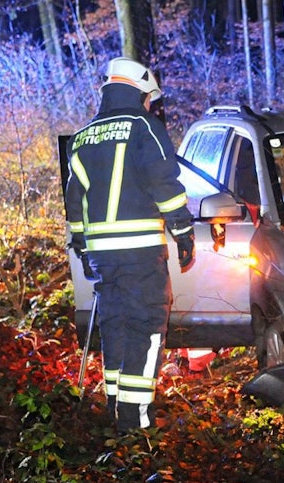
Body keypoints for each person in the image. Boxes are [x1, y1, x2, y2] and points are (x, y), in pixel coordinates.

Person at [65, 57, 196, 432]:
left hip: (103, 255)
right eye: (149, 98)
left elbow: (76, 200)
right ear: (140, 92)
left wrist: (83, 245)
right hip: (140, 252)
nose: (151, 105)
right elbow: (163, 180)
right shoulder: (144, 127)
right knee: (147, 325)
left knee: (116, 323)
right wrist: (183, 230)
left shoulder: (83, 136)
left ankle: (114, 406)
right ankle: (136, 422)